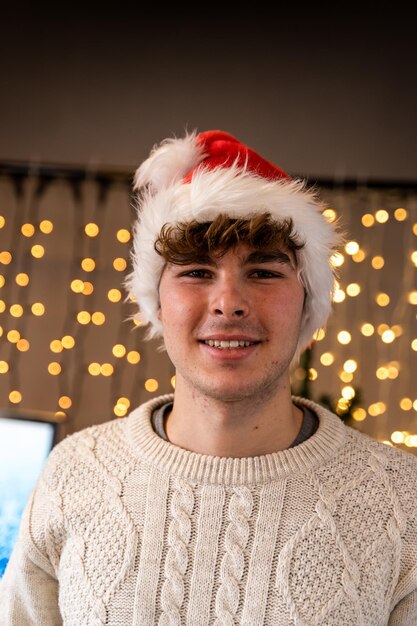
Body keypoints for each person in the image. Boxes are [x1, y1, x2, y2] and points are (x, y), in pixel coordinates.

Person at [1, 129, 417, 626]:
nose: (228, 302)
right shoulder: (74, 473)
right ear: (158, 300)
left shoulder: (399, 498)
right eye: (196, 272)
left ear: (307, 300)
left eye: (263, 272)